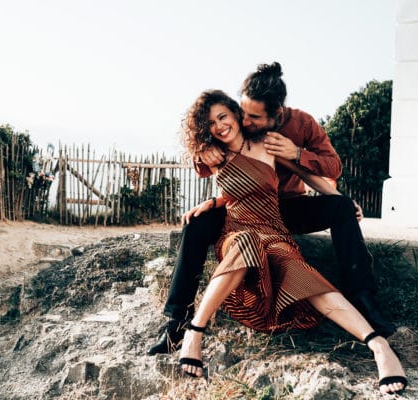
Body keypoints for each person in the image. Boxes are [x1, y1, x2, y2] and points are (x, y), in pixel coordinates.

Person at [148, 62, 395, 357]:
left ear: (276, 114)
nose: (245, 120)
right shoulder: (230, 132)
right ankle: (178, 322)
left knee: (341, 208)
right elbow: (212, 161)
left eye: (253, 117)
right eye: (242, 112)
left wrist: (299, 155)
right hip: (240, 213)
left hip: (288, 208)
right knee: (196, 223)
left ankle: (364, 299)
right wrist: (201, 154)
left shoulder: (300, 125)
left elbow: (330, 168)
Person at [176, 89, 407, 395]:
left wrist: (341, 203)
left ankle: (378, 345)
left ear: (235, 114)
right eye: (211, 123)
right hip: (237, 232)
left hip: (274, 231)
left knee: (301, 274)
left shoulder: (267, 145)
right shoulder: (211, 154)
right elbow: (217, 176)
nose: (219, 126)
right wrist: (210, 189)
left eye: (223, 117)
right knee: (245, 241)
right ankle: (195, 332)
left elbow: (311, 176)